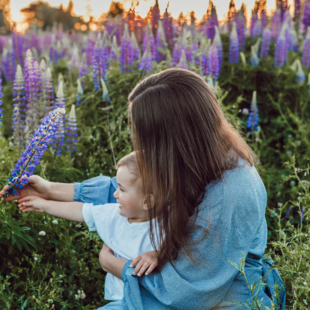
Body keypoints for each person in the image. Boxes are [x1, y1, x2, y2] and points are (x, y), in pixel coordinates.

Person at [1, 68, 286, 309]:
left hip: (217, 299)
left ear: (174, 138)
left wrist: (115, 266)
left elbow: (188, 293)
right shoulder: (202, 159)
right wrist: (49, 189)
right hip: (178, 286)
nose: (141, 146)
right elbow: (133, 189)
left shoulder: (230, 192)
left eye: (146, 137)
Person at [17, 152, 160, 309]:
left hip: (151, 301)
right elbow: (81, 211)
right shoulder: (114, 214)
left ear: (147, 201)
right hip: (120, 299)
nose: (115, 194)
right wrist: (43, 205)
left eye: (121, 189)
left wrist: (157, 254)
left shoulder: (166, 224)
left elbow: (177, 248)